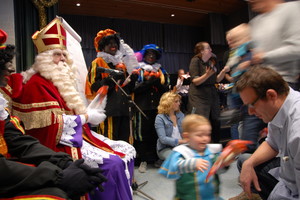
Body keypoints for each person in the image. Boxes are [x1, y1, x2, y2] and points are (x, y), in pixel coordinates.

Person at [0, 19, 135, 200]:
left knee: (126, 149)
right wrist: (85, 118)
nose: (63, 60)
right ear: (45, 58)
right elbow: (47, 127)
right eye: (57, 55)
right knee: (113, 163)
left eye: (64, 55)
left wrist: (86, 115)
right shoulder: (35, 84)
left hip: (75, 137)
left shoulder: (59, 81)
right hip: (59, 143)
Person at [230, 66, 300, 200]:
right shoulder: (278, 109)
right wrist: (249, 164)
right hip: (290, 181)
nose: (250, 112)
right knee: (245, 160)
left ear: (271, 95)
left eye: (252, 105)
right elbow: (272, 144)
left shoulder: (297, 130)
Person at [85, 28, 139, 143]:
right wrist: (110, 79)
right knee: (109, 142)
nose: (112, 45)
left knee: (125, 141)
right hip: (108, 109)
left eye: (114, 43)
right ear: (103, 47)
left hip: (124, 109)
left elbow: (127, 88)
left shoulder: (122, 64)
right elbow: (93, 86)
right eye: (109, 43)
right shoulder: (98, 62)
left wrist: (133, 80)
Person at [158, 114, 223, 200]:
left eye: (207, 135)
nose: (205, 139)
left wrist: (225, 162)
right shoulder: (181, 152)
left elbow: (219, 169)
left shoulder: (211, 151)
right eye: (200, 135)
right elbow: (174, 168)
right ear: (187, 137)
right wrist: (192, 163)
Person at [133, 44, 170, 173]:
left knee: (157, 134)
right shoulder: (137, 69)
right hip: (141, 108)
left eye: (154, 54)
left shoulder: (161, 71)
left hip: (158, 109)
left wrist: (157, 83)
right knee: (142, 134)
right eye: (149, 54)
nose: (151, 56)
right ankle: (143, 159)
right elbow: (133, 89)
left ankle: (155, 159)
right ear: (144, 55)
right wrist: (147, 83)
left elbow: (167, 89)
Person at [249, 0, 300, 91]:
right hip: (258, 83)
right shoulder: (254, 22)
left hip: (282, 82)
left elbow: (297, 48)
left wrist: (264, 56)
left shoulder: (291, 8)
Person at [187, 41, 229, 143]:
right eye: (208, 48)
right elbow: (195, 81)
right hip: (199, 96)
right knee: (201, 122)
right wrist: (207, 75)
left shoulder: (211, 62)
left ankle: (215, 145)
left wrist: (223, 71)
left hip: (212, 95)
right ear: (201, 51)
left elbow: (217, 80)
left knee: (215, 121)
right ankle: (199, 146)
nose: (211, 50)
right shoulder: (195, 61)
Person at [154, 91, 186, 166]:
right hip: (165, 148)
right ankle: (164, 160)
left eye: (179, 101)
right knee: (179, 160)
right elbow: (163, 139)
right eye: (176, 101)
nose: (179, 103)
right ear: (168, 103)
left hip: (181, 145)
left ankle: (167, 162)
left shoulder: (181, 115)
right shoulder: (160, 118)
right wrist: (181, 141)